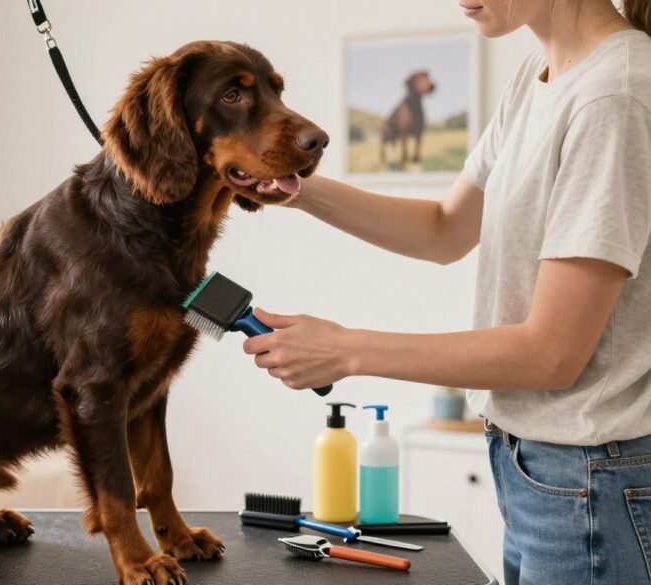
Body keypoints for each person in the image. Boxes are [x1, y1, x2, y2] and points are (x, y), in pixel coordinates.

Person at [243, 1, 651, 583]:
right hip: (534, 470)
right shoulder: (541, 74)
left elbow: (553, 354)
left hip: (588, 481)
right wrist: (293, 187)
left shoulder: (616, 94)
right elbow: (444, 229)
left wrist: (347, 351)